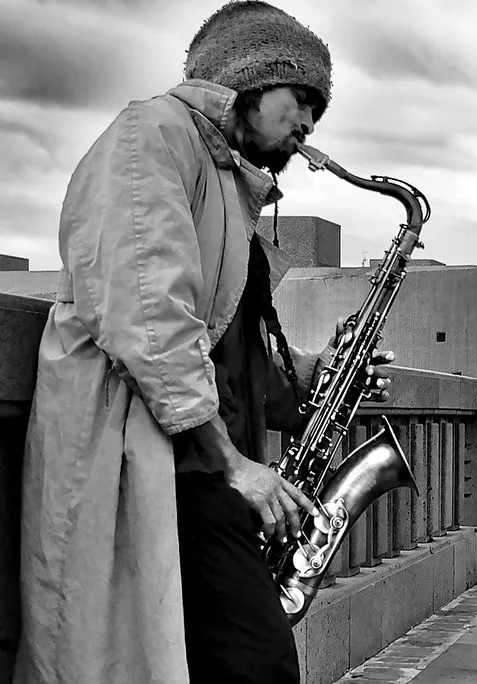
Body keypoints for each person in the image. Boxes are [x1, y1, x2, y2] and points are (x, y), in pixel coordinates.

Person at [15, 3, 393, 683]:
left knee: (225, 666)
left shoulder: (231, 188)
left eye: (319, 108)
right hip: (173, 463)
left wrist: (320, 377)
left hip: (205, 468)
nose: (309, 123)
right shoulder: (152, 134)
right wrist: (236, 468)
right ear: (244, 80)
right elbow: (150, 318)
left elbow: (234, 356)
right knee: (260, 665)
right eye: (300, 97)